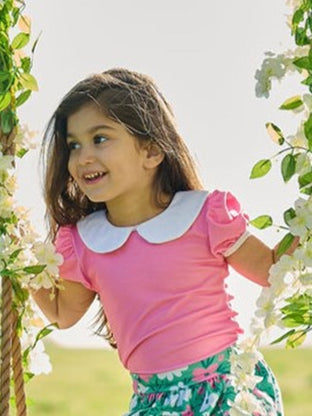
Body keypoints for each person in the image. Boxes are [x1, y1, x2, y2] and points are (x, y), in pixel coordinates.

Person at [32, 68, 291, 415]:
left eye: (100, 138)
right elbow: (62, 314)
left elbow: (272, 270)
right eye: (74, 145)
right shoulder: (85, 242)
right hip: (152, 401)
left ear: (151, 151)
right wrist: (17, 260)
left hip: (228, 390)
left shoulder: (203, 215)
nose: (83, 157)